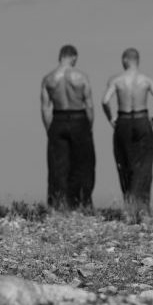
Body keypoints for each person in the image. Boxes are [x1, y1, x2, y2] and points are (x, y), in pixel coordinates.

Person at [101, 48, 153, 221]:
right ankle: (142, 208)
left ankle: (129, 205)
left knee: (124, 162)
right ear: (138, 60)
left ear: (124, 60)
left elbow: (105, 101)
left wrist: (110, 118)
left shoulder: (117, 80)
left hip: (122, 121)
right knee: (144, 164)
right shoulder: (146, 80)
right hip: (142, 118)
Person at [40, 44, 96, 210]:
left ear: (60, 56)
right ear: (73, 57)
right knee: (83, 164)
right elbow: (89, 105)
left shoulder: (49, 78)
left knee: (58, 165)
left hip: (58, 118)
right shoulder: (81, 76)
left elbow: (45, 107)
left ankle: (58, 204)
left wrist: (49, 129)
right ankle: (81, 203)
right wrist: (89, 127)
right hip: (79, 118)